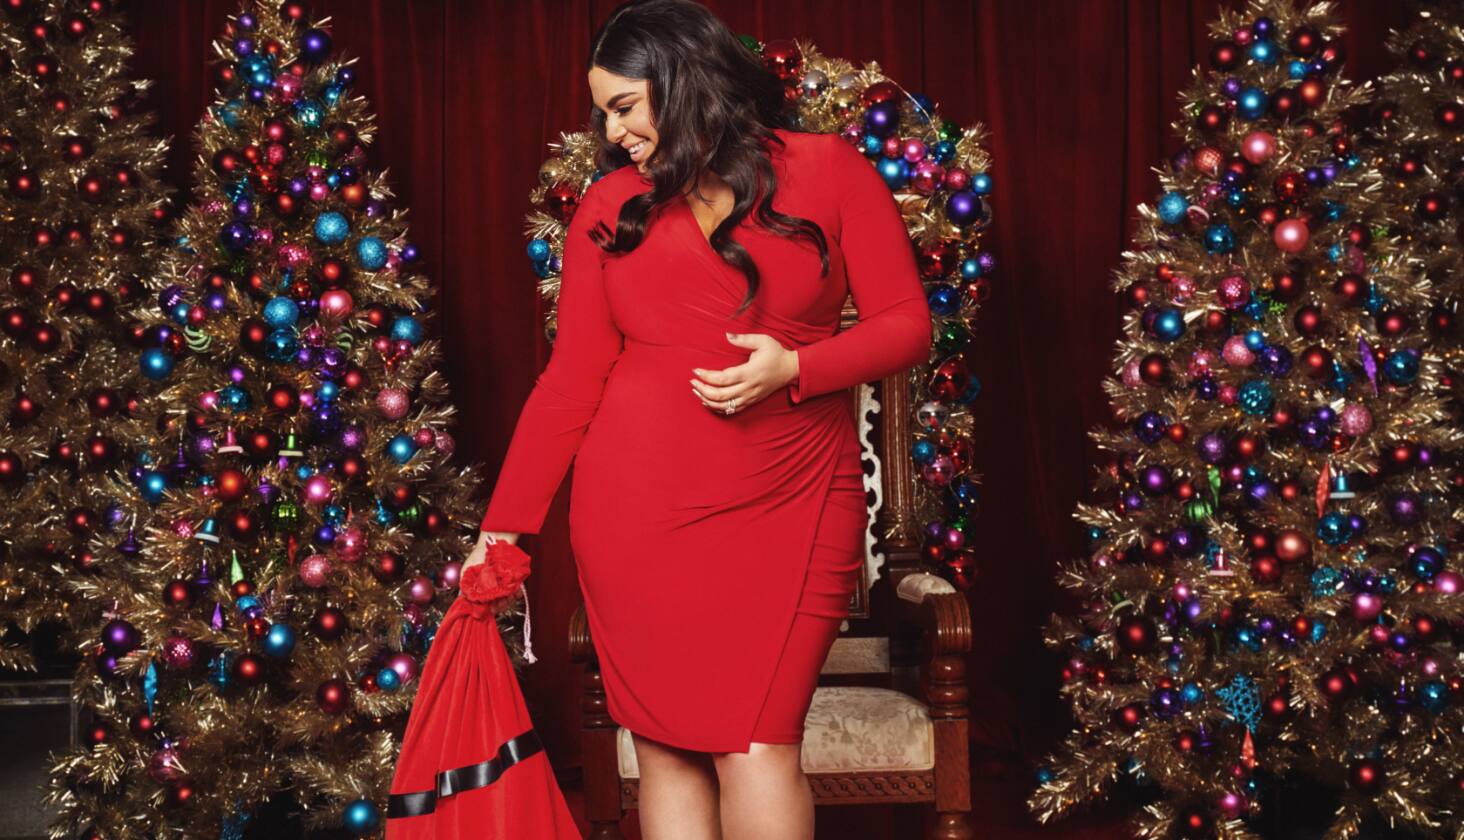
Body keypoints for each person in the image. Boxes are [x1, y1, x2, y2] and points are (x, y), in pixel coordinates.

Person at [464, 0, 930, 837]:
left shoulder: (827, 170)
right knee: (666, 748)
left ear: (680, 84)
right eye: (603, 111)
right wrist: (506, 530)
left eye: (623, 106)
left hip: (792, 501)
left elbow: (906, 323)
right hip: (633, 519)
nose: (612, 134)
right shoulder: (610, 206)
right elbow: (571, 380)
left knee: (759, 741)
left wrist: (798, 368)